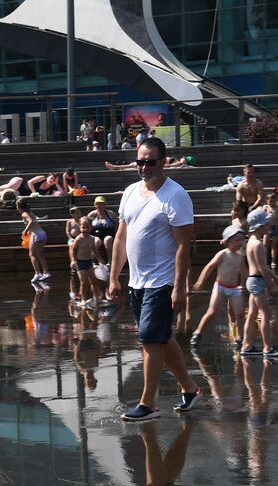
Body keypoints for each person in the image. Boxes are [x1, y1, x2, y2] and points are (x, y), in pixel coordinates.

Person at [108, 137, 202, 422]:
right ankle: (189, 388)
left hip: (162, 281)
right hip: (137, 280)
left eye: (150, 161)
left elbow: (185, 245)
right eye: (140, 161)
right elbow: (122, 237)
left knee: (149, 340)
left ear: (163, 161)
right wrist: (114, 277)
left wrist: (180, 287)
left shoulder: (175, 195)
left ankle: (148, 403)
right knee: (160, 338)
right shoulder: (130, 192)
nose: (144, 167)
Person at [239, 208, 278, 357]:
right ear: (259, 226)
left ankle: (246, 346)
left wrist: (277, 278)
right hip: (257, 281)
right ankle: (268, 348)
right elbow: (262, 268)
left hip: (252, 280)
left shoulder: (250, 242)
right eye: (266, 224)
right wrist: (272, 285)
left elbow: (263, 267)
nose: (268, 227)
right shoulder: (258, 244)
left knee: (253, 314)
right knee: (266, 314)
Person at [189, 225, 246, 346]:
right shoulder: (223, 254)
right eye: (237, 240)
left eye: (242, 240)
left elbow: (243, 272)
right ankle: (198, 332)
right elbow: (209, 267)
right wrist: (200, 282)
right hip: (220, 286)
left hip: (234, 288)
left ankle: (240, 338)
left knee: (240, 313)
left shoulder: (240, 257)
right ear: (228, 241)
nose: (240, 243)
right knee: (212, 311)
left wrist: (243, 285)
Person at [70, 221, 102, 308]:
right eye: (83, 227)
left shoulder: (91, 238)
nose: (85, 230)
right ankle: (83, 299)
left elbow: (94, 250)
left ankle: (95, 297)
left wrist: (100, 259)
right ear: (80, 228)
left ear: (91, 228)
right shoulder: (78, 239)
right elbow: (73, 250)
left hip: (89, 262)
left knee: (94, 280)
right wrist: (73, 260)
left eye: (87, 227)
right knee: (83, 281)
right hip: (80, 262)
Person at [18, 198, 49, 283]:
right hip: (42, 233)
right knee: (39, 253)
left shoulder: (24, 214)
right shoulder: (30, 213)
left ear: (19, 207)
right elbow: (36, 219)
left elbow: (31, 221)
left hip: (36, 235)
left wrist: (25, 230)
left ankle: (37, 273)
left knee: (32, 254)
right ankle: (46, 272)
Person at [87, 196, 118, 263]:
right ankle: (92, 261)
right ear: (95, 205)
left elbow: (118, 223)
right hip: (96, 234)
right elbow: (86, 224)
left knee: (107, 240)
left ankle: (110, 261)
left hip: (109, 233)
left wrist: (117, 235)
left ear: (104, 205)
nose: (99, 205)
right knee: (96, 241)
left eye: (101, 203)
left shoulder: (110, 213)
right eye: (97, 204)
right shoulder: (92, 214)